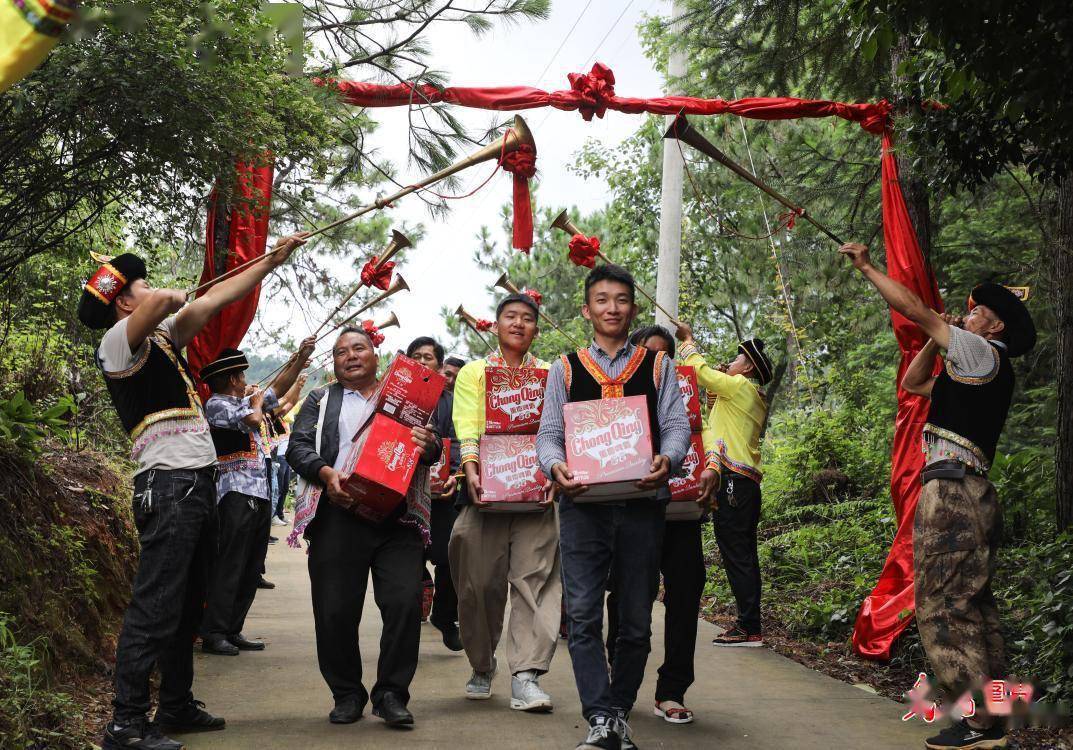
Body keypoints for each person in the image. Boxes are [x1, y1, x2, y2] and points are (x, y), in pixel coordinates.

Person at [78, 232, 308, 750]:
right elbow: (168, 300)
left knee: (186, 605)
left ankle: (176, 704)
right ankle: (126, 724)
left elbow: (214, 299)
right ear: (123, 301)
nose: (152, 289)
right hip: (169, 486)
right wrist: (170, 294)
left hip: (198, 486)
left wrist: (271, 260)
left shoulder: (162, 341)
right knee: (155, 604)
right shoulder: (116, 344)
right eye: (141, 283)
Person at [840, 242, 1035, 750]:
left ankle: (976, 720)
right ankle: (998, 713)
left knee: (944, 604)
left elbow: (914, 309)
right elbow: (914, 380)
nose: (968, 314)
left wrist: (865, 266)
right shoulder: (970, 364)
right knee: (975, 602)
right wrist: (934, 339)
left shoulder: (980, 350)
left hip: (952, 490)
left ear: (996, 328)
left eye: (978, 311)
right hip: (968, 489)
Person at [536, 264, 691, 750]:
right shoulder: (564, 367)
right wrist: (555, 467)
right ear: (587, 309)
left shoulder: (657, 365)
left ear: (633, 308)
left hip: (643, 505)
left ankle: (619, 712)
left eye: (621, 299)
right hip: (583, 508)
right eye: (602, 299)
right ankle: (599, 717)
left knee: (636, 620)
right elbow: (548, 435)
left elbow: (676, 426)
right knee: (583, 615)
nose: (612, 308)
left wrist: (668, 457)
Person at [287, 326, 442, 729]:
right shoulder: (320, 401)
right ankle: (346, 694)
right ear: (334, 363)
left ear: (377, 356)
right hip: (338, 515)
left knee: (404, 604)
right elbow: (298, 448)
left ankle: (391, 694)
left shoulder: (405, 397)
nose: (351, 356)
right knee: (335, 610)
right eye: (341, 352)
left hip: (398, 519)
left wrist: (430, 445)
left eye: (360, 348)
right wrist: (326, 474)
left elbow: (434, 444)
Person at [449, 293, 561, 712]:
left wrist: (557, 468)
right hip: (485, 491)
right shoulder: (475, 372)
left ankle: (526, 676)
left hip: (537, 492)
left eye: (528, 318)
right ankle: (482, 663)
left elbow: (559, 424)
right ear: (495, 325)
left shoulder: (553, 373)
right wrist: (471, 464)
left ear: (536, 329)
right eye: (510, 317)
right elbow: (466, 419)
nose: (519, 323)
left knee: (536, 582)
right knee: (476, 582)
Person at [604, 325, 718, 726]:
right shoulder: (611, 388)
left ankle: (672, 690)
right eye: (649, 352)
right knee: (625, 596)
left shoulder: (687, 390)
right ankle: (620, 680)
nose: (658, 360)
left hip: (681, 514)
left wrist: (714, 467)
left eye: (665, 354)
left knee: (685, 595)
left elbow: (711, 434)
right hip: (634, 511)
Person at [199, 340, 312, 655]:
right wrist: (259, 400)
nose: (246, 380)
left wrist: (300, 360)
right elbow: (252, 419)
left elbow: (279, 389)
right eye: (242, 375)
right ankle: (214, 631)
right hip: (234, 493)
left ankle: (233, 628)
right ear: (233, 379)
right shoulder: (217, 404)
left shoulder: (248, 400)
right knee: (230, 564)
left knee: (251, 566)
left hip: (259, 493)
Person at [674, 322, 772, 650]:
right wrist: (715, 391)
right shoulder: (748, 394)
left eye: (736, 358)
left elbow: (699, 371)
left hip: (733, 480)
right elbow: (715, 418)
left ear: (747, 367)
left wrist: (688, 341)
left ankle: (748, 627)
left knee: (737, 553)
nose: (730, 362)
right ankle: (749, 624)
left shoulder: (742, 387)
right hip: (742, 483)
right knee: (741, 552)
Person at [406, 336, 463, 651]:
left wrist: (454, 474)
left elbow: (462, 440)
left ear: (440, 366)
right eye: (416, 355)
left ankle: (445, 615)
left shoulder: (453, 401)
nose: (422, 361)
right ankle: (413, 611)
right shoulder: (399, 394)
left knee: (451, 558)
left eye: (428, 356)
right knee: (407, 554)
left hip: (443, 494)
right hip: (404, 492)